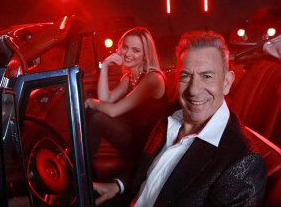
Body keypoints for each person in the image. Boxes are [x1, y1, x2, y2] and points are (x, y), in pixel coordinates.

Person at [93, 30, 267, 207]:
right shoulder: (173, 112)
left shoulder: (243, 162)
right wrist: (118, 185)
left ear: (227, 82)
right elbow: (154, 166)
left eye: (207, 76)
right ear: (176, 79)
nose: (193, 90)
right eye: (185, 76)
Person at [85, 27, 167, 176]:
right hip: (132, 134)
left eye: (136, 50)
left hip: (147, 143)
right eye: (126, 47)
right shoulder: (129, 77)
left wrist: (91, 101)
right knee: (95, 114)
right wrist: (104, 67)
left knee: (97, 117)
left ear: (145, 55)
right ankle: (82, 168)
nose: (128, 54)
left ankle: (81, 172)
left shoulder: (153, 79)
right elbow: (106, 100)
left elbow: (113, 110)